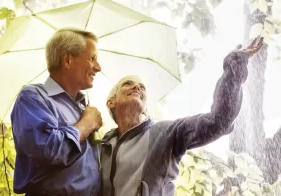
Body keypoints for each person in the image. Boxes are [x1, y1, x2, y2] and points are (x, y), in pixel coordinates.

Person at [100, 37, 264, 196]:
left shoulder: (165, 133)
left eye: (142, 87)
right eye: (128, 83)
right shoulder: (102, 147)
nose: (137, 87)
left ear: (145, 109)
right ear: (111, 102)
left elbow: (218, 122)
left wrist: (233, 69)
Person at [11, 28, 103, 196]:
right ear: (67, 60)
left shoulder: (84, 108)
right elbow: (48, 149)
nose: (98, 67)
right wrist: (86, 125)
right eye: (92, 58)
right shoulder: (33, 97)